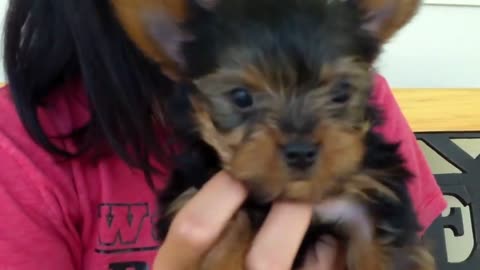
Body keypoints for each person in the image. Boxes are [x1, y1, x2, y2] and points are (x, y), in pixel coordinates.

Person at [0, 1, 447, 269]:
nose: (302, 137)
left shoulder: (368, 105)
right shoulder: (17, 152)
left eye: (339, 95)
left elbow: (403, 243)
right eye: (243, 99)